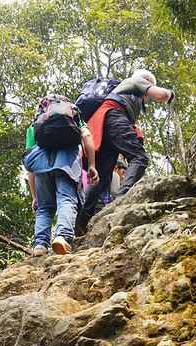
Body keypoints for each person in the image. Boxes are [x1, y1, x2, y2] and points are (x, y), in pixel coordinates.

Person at [76, 69, 175, 232]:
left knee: (102, 174)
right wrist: (170, 93)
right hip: (114, 116)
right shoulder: (137, 81)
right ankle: (122, 198)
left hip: (102, 123)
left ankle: (81, 219)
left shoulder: (125, 92)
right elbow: (161, 95)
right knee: (139, 158)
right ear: (146, 80)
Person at [25, 100, 99, 256]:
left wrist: (34, 196)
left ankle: (40, 244)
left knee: (44, 207)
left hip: (40, 166)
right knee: (67, 199)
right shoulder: (74, 117)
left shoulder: (35, 125)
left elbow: (29, 162)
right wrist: (91, 165)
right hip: (67, 163)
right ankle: (62, 237)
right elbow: (86, 135)